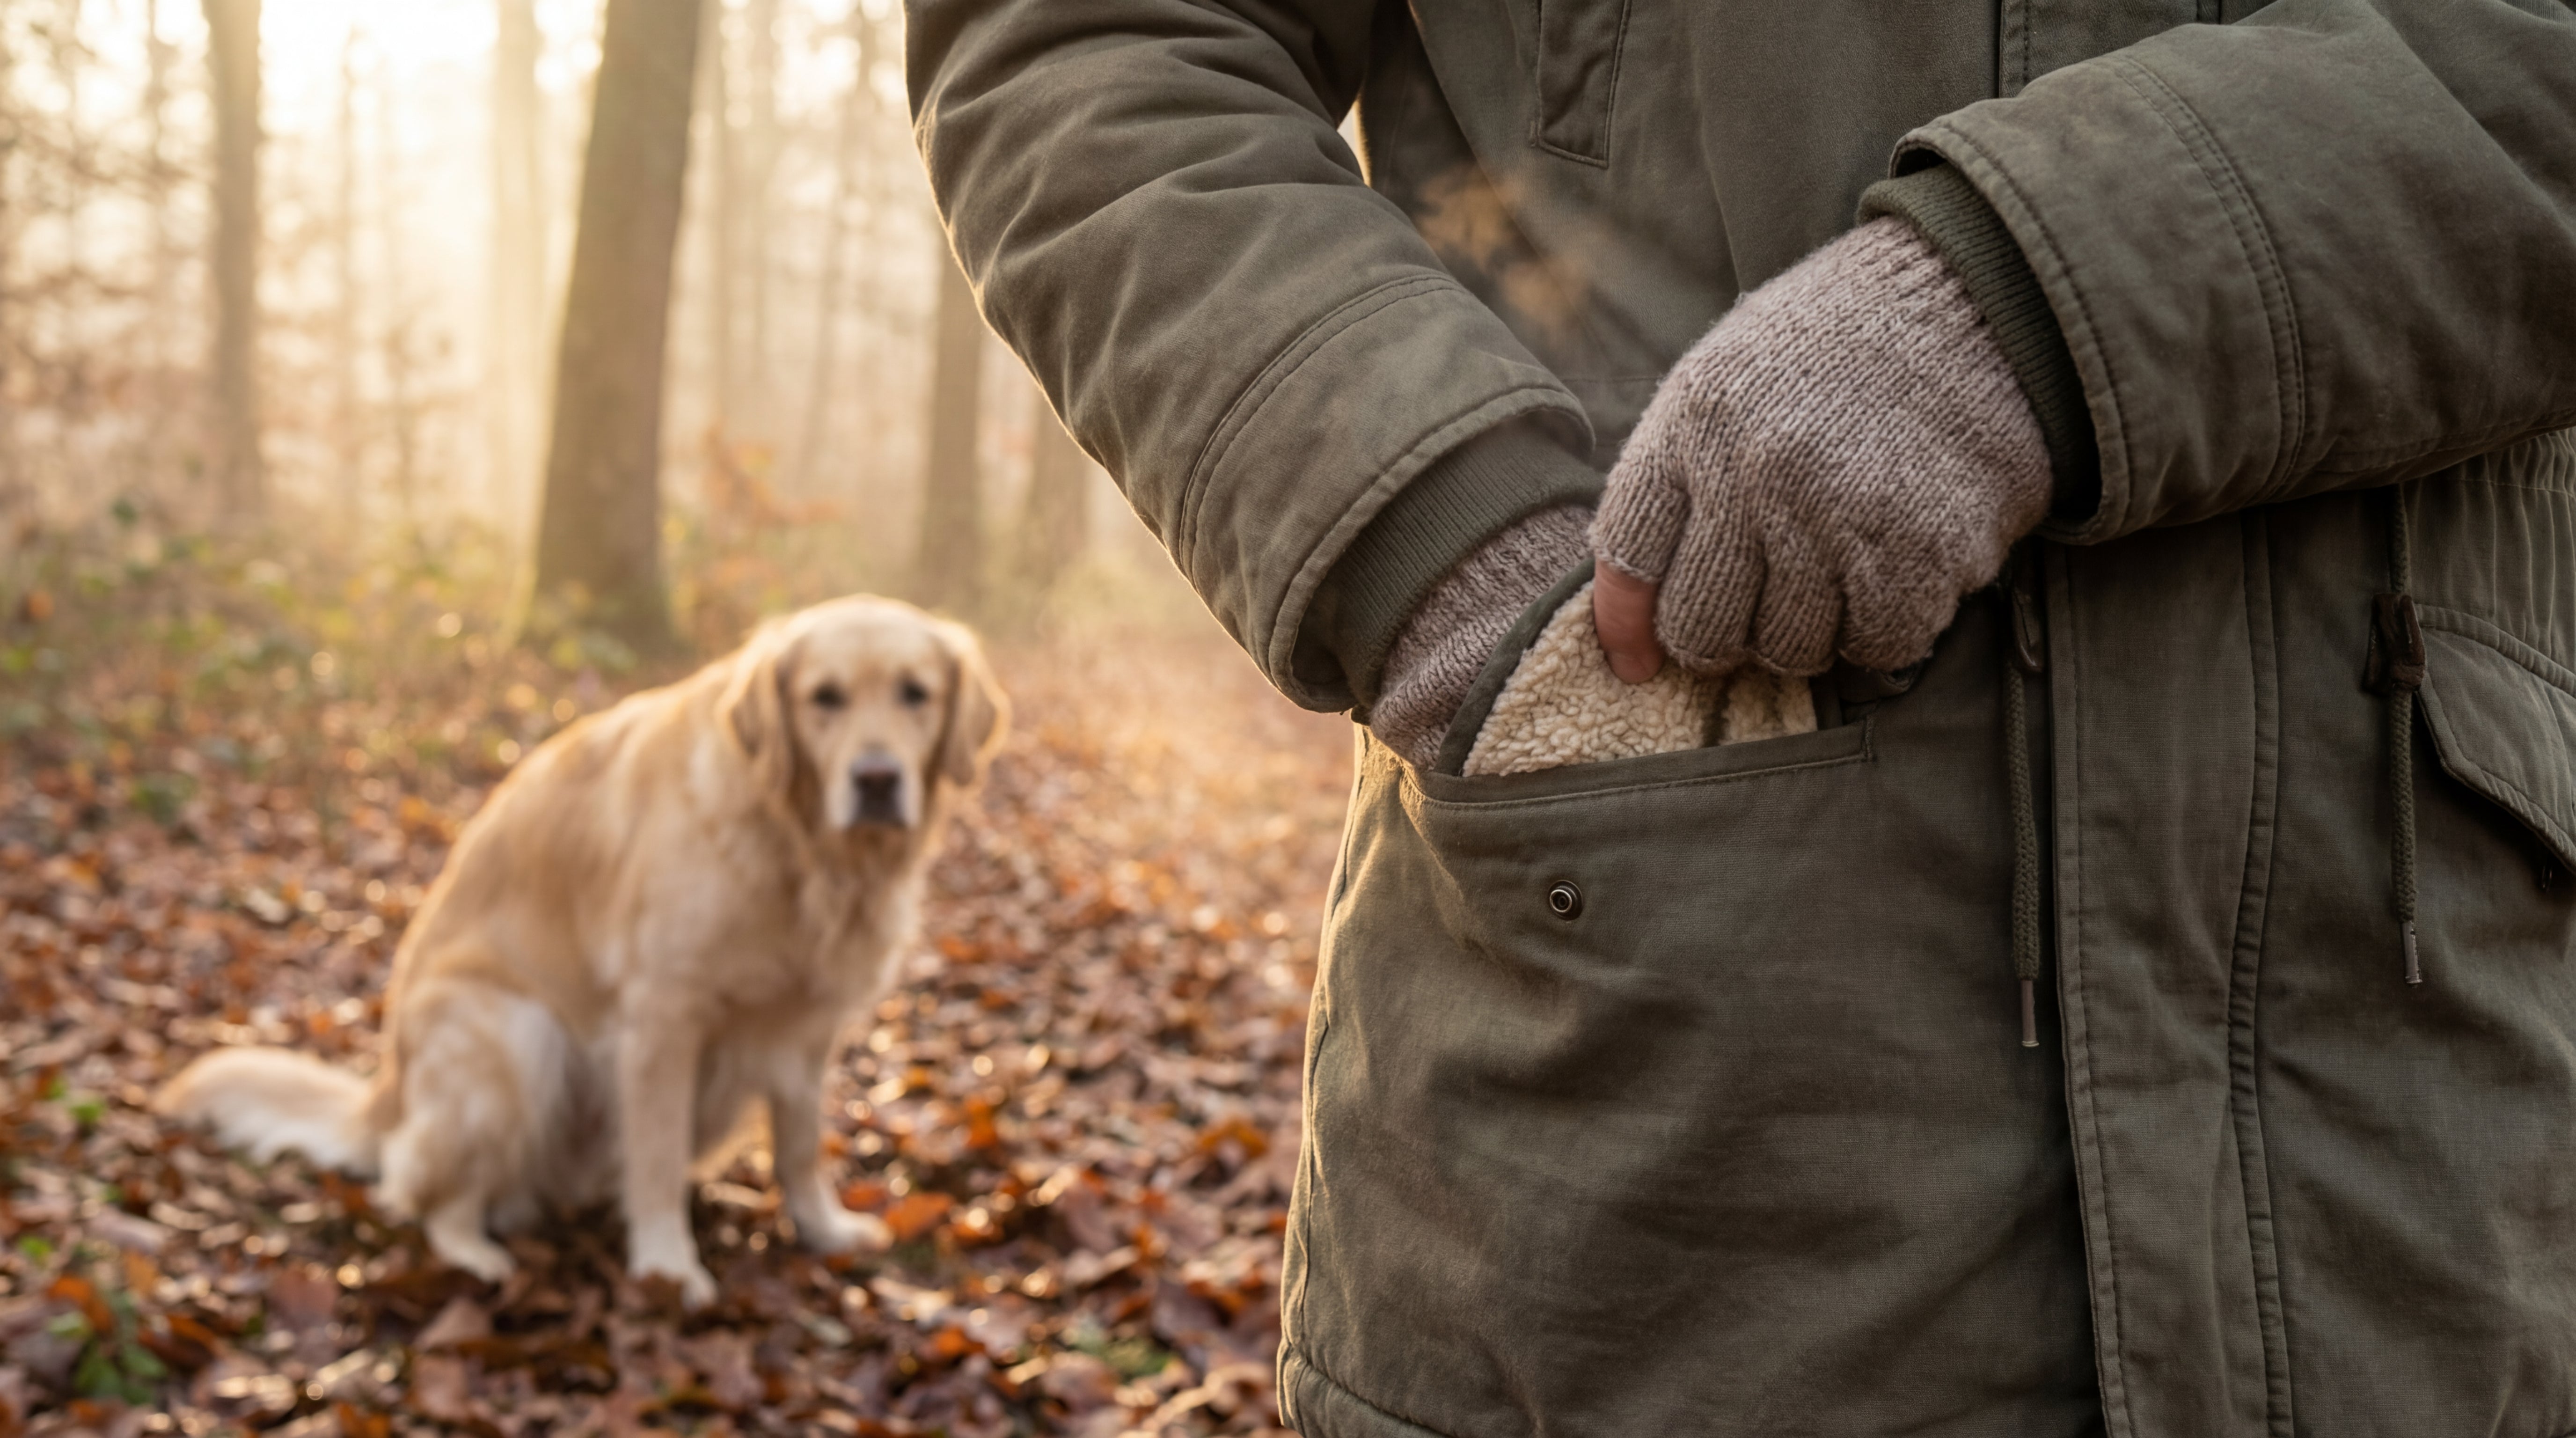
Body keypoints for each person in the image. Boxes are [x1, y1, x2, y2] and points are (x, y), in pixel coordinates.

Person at [907, 1, 2576, 1431]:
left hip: (2428, 1152)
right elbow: (1089, 40)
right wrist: (1439, 533)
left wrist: (2051, 295)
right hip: (1647, 1098)